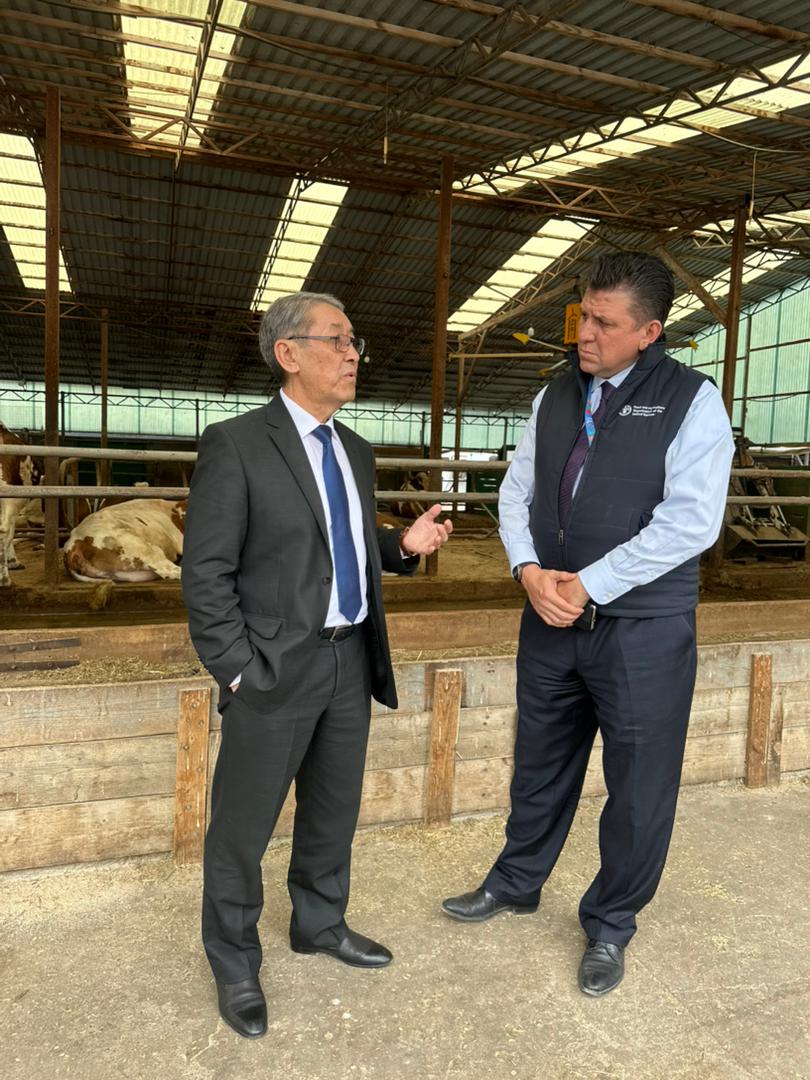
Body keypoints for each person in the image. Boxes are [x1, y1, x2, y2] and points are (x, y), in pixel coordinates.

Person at [442, 251, 734, 996]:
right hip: (549, 616)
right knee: (539, 761)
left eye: (605, 323)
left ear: (649, 332)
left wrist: (590, 584)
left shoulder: (692, 401)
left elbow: (691, 522)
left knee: (638, 784)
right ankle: (516, 882)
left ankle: (610, 921)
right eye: (583, 318)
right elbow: (516, 492)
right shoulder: (555, 395)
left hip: (641, 630)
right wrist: (527, 570)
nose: (586, 335)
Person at [182, 292, 452, 1038]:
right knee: (242, 828)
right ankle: (234, 959)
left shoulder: (354, 450)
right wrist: (238, 669)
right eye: (336, 339)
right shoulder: (236, 444)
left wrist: (400, 547)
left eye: (353, 340)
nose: (352, 352)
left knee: (333, 810)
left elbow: (342, 541)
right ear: (288, 353)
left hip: (349, 661)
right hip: (274, 669)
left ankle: (319, 923)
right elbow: (205, 574)